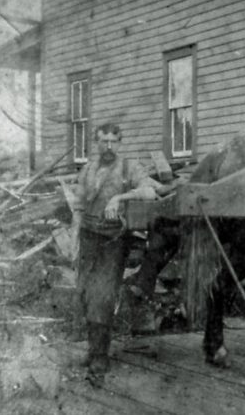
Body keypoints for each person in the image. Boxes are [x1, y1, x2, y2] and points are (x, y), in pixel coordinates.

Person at [72, 122, 158, 386]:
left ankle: (100, 357)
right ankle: (93, 350)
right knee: (85, 293)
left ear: (120, 143)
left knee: (103, 294)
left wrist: (119, 199)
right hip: (88, 237)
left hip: (113, 239)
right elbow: (78, 205)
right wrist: (75, 238)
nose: (108, 147)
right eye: (103, 142)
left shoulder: (128, 168)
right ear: (96, 143)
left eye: (113, 142)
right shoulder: (88, 170)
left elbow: (150, 191)